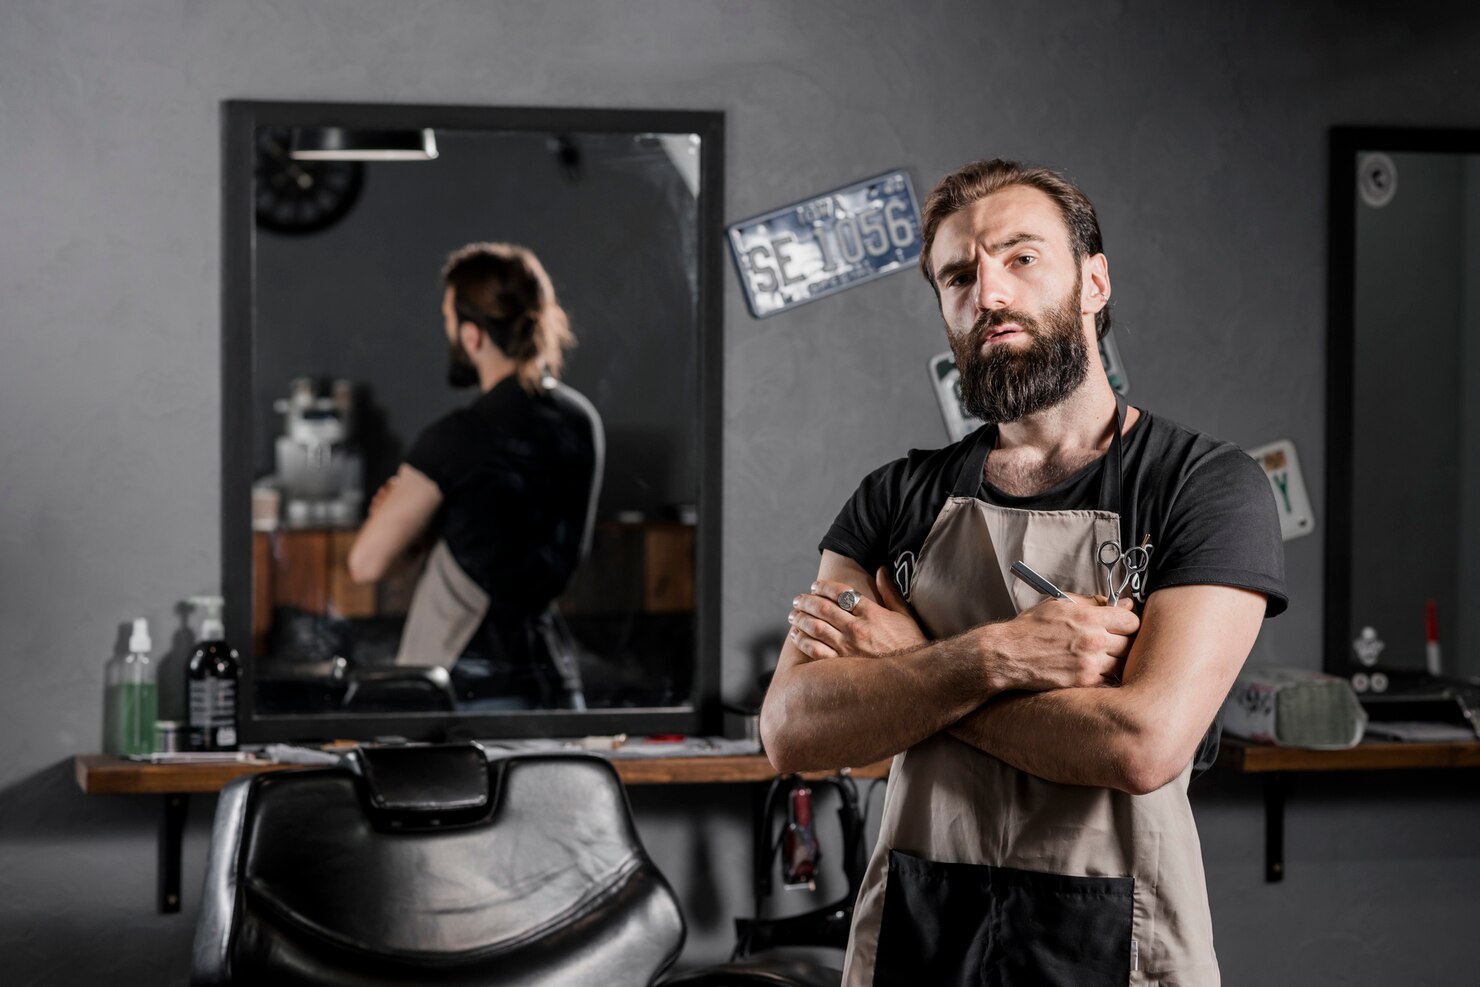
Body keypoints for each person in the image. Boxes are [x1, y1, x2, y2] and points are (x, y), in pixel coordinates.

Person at [761, 159, 1285, 985]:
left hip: (1118, 941)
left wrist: (907, 665)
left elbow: (1142, 743)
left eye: (1021, 257)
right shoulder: (894, 497)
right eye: (959, 275)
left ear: (1094, 282)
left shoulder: (1204, 486)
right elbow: (792, 727)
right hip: (918, 937)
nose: (990, 293)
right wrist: (994, 656)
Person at [348, 242, 602, 710]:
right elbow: (504, 531)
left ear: (472, 335)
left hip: (466, 690)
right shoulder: (580, 420)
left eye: (448, 320)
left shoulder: (457, 438)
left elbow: (366, 564)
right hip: (553, 684)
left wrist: (414, 521)